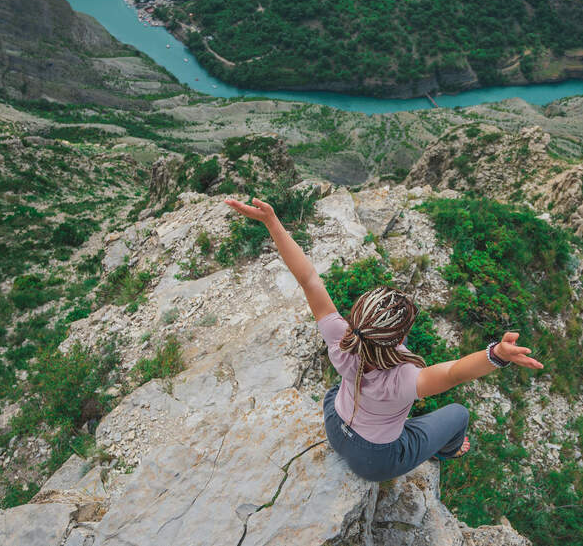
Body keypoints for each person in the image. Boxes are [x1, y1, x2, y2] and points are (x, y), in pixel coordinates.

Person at [224, 197, 544, 482]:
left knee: (341, 388)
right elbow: (454, 373)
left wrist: (271, 222)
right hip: (374, 461)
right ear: (399, 336)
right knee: (458, 414)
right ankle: (447, 451)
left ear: (358, 317)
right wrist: (498, 353)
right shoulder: (406, 378)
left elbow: (307, 278)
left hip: (335, 427)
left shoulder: (341, 337)